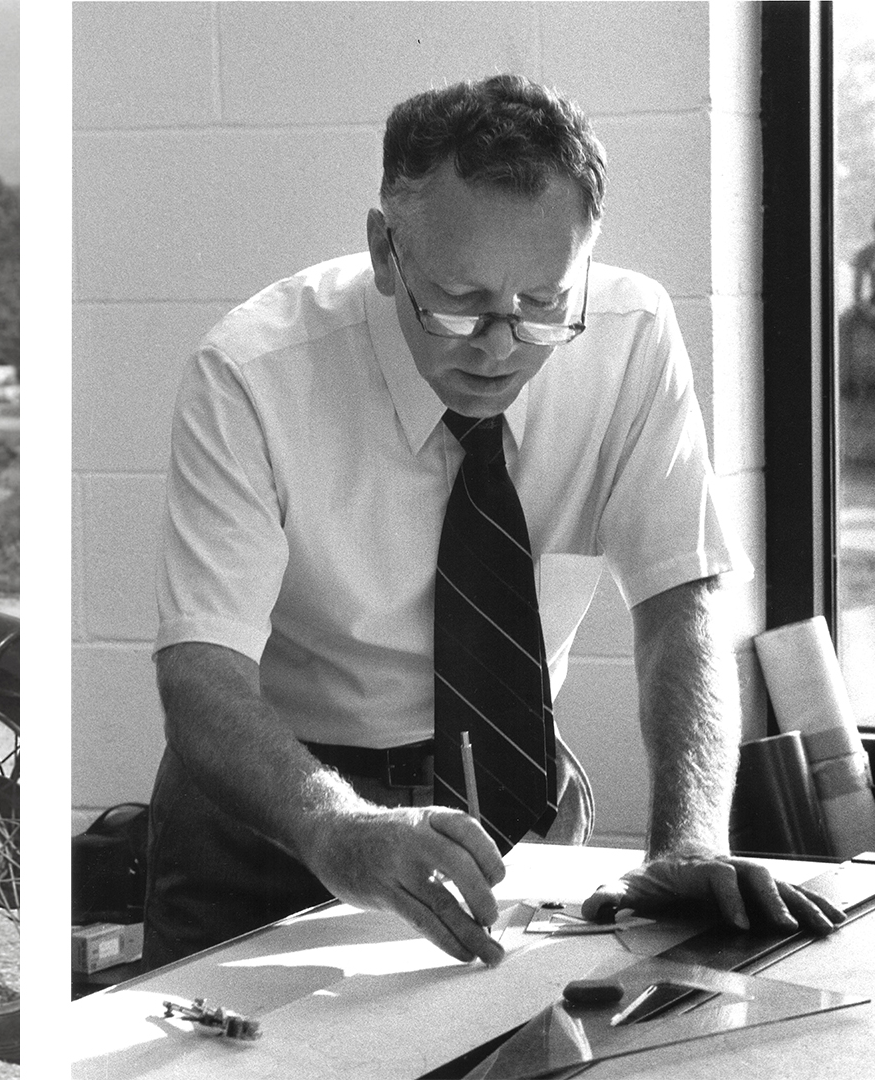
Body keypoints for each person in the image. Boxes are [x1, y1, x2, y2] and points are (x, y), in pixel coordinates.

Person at [146, 74, 845, 970]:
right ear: (385, 250)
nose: (501, 342)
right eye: (460, 301)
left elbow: (683, 606)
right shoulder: (251, 372)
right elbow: (200, 675)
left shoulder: (629, 335)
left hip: (511, 800)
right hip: (276, 813)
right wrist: (338, 828)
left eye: (543, 305)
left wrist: (688, 842)